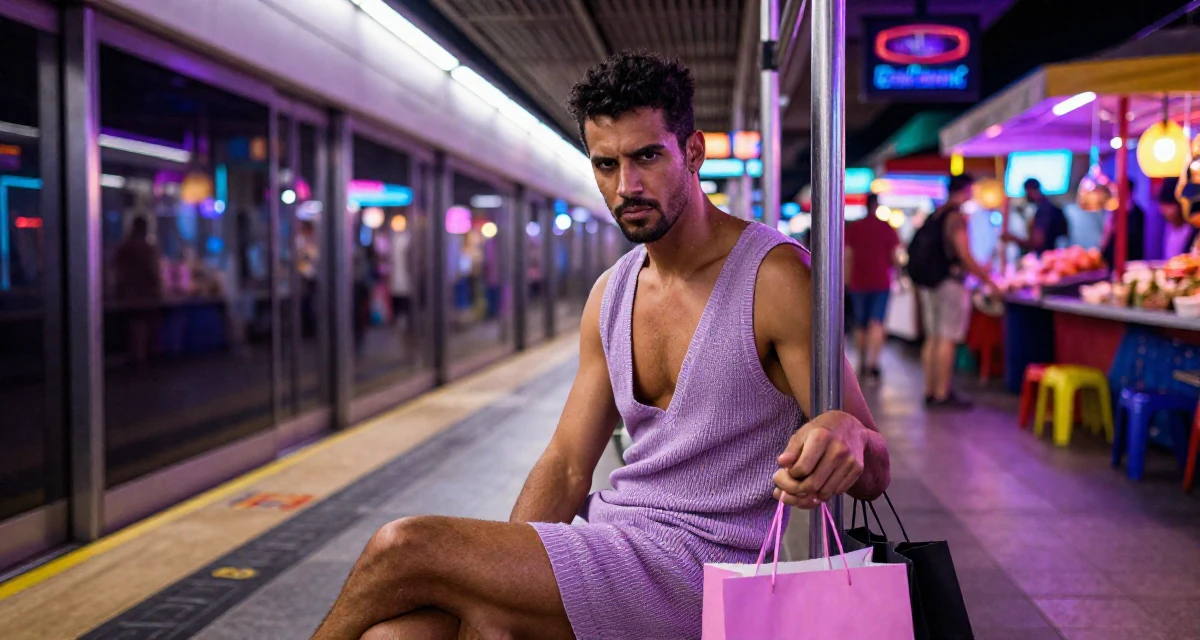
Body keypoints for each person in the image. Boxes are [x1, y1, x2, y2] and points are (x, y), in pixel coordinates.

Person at [312, 51, 890, 640]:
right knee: (399, 637)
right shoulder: (609, 295)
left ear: (693, 153)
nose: (626, 186)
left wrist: (844, 430)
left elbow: (874, 469)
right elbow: (565, 465)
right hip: (614, 545)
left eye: (647, 156)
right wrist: (505, 575)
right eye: (606, 164)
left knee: (404, 545)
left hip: (709, 573)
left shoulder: (775, 277)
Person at [909, 174, 996, 409]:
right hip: (949, 283)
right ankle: (942, 394)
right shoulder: (956, 217)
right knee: (946, 338)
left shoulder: (934, 214)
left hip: (929, 283)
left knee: (933, 338)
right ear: (966, 190)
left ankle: (930, 391)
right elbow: (964, 254)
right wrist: (988, 279)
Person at [845, 193, 900, 382]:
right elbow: (894, 258)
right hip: (881, 282)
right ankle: (873, 364)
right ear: (877, 206)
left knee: (860, 324)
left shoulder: (855, 228)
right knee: (877, 323)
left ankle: (861, 362)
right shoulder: (886, 228)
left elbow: (848, 255)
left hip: (858, 282)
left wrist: (846, 280)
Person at [1002, 178, 1069, 255]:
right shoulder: (1050, 207)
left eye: (1026, 192)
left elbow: (1037, 242)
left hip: (1046, 257)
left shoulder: (1045, 210)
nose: (1025, 196)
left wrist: (1013, 238)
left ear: (1030, 190)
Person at [1100, 179, 1145, 267]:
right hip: (1110, 261)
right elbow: (1106, 236)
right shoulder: (1114, 211)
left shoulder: (1137, 214)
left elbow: (1134, 239)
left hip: (1130, 262)